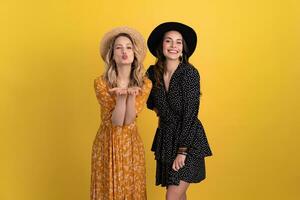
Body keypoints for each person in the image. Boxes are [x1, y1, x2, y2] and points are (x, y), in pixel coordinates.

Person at [146, 22, 212, 200]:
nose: (173, 46)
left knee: (172, 195)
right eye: (169, 41)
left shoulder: (189, 73)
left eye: (178, 42)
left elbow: (191, 114)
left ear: (183, 49)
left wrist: (182, 151)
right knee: (178, 194)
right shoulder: (152, 73)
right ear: (162, 46)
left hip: (189, 140)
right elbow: (148, 101)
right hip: (167, 139)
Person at [91, 26, 152, 200]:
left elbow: (128, 120)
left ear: (134, 54)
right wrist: (120, 97)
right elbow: (116, 122)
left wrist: (130, 96)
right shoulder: (101, 83)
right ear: (112, 54)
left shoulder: (145, 84)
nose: (124, 51)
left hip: (131, 146)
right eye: (119, 47)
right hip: (107, 144)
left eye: (128, 47)